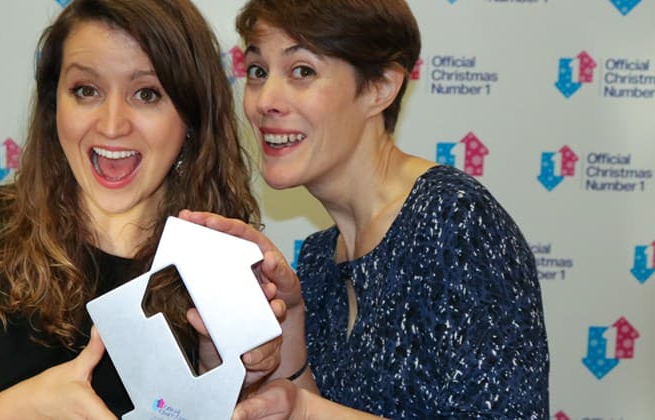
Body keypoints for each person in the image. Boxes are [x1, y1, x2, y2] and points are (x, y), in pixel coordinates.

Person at [0, 0, 283, 418]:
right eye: (86, 91)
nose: (111, 124)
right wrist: (25, 407)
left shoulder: (220, 268)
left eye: (146, 94)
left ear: (191, 117)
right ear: (54, 105)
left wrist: (226, 372)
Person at [183, 0, 550, 418]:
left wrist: (305, 411)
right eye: (257, 71)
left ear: (380, 87)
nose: (265, 100)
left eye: (302, 71)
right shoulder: (321, 258)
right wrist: (290, 323)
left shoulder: (453, 220)